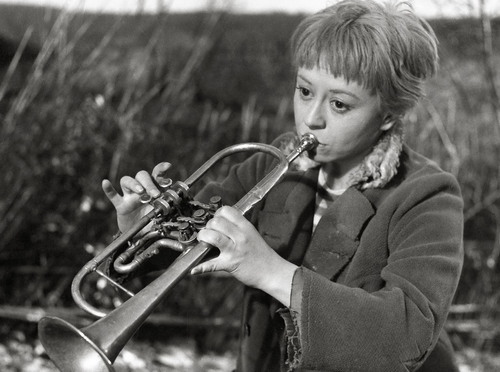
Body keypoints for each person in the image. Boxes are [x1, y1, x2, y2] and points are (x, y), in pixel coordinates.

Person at [102, 0, 464, 371]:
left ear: (387, 116)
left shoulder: (427, 196)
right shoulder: (269, 165)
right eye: (305, 91)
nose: (310, 119)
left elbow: (406, 336)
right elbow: (189, 242)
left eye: (339, 104)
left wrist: (273, 272)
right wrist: (141, 232)